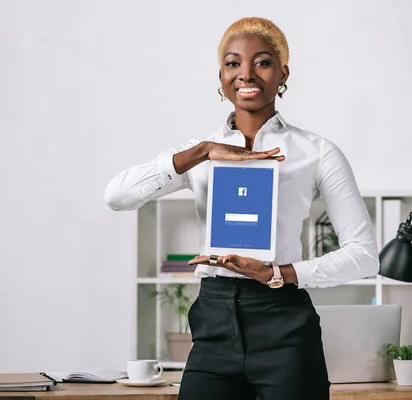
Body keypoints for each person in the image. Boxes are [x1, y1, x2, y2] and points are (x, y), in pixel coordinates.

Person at [104, 17, 379, 400]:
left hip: (284, 325)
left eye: (262, 62)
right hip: (212, 324)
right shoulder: (199, 152)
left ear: (283, 73)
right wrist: (200, 153)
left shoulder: (316, 152)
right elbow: (116, 196)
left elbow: (365, 256)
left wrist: (277, 273)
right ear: (221, 76)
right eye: (233, 63)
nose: (245, 73)